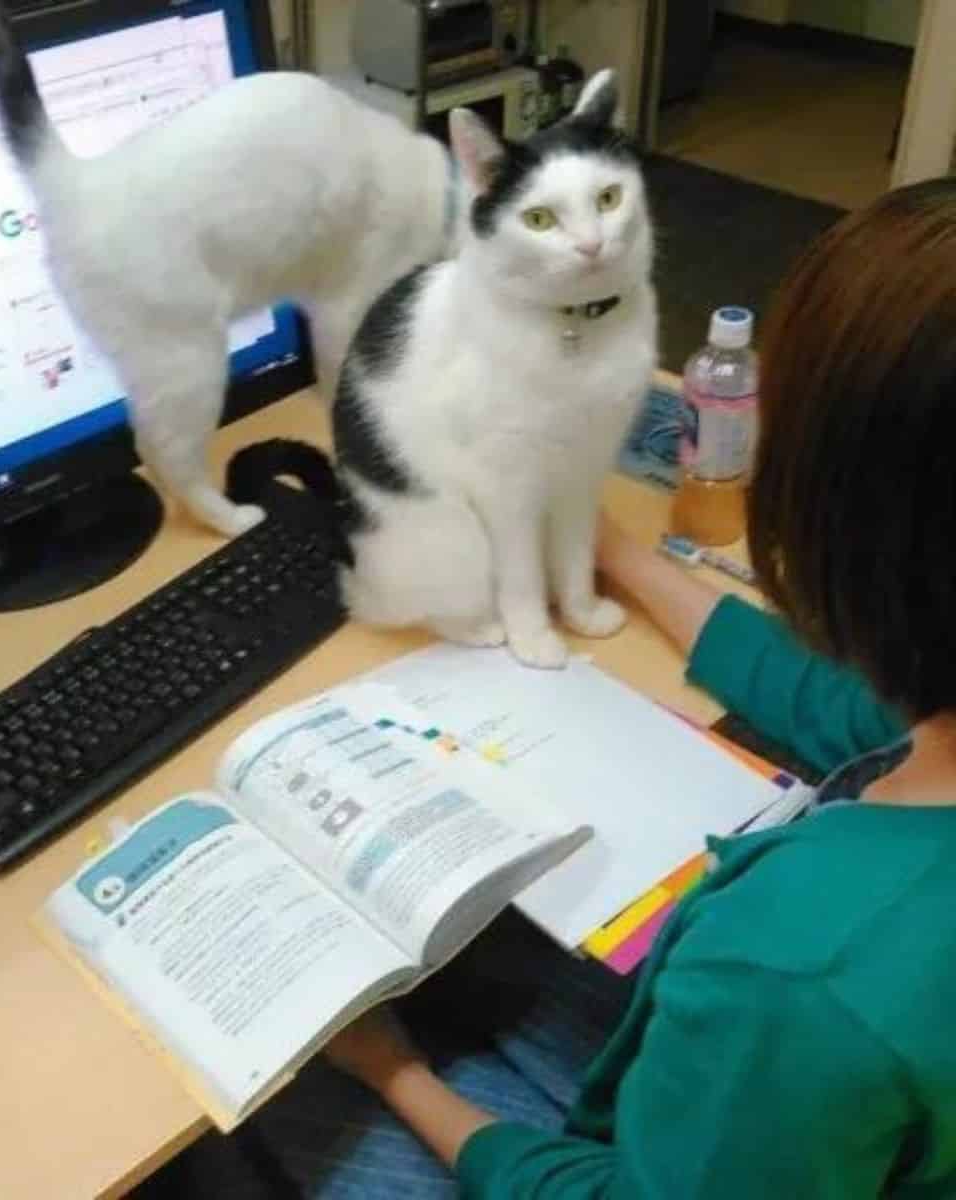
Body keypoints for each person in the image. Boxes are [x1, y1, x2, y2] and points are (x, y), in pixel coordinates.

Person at [230, 178, 956, 1197]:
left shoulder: (800, 977)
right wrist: (620, 555)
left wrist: (393, 1071)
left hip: (696, 1134)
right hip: (811, 1110)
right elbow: (856, 710)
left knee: (265, 1100)